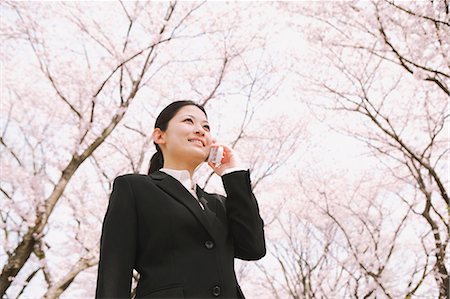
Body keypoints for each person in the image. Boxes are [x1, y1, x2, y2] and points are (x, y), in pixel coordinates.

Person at [96, 100, 266, 298]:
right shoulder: (134, 188)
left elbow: (253, 248)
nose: (200, 131)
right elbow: (114, 270)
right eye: (188, 121)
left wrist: (233, 174)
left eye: (206, 127)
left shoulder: (219, 204)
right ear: (160, 136)